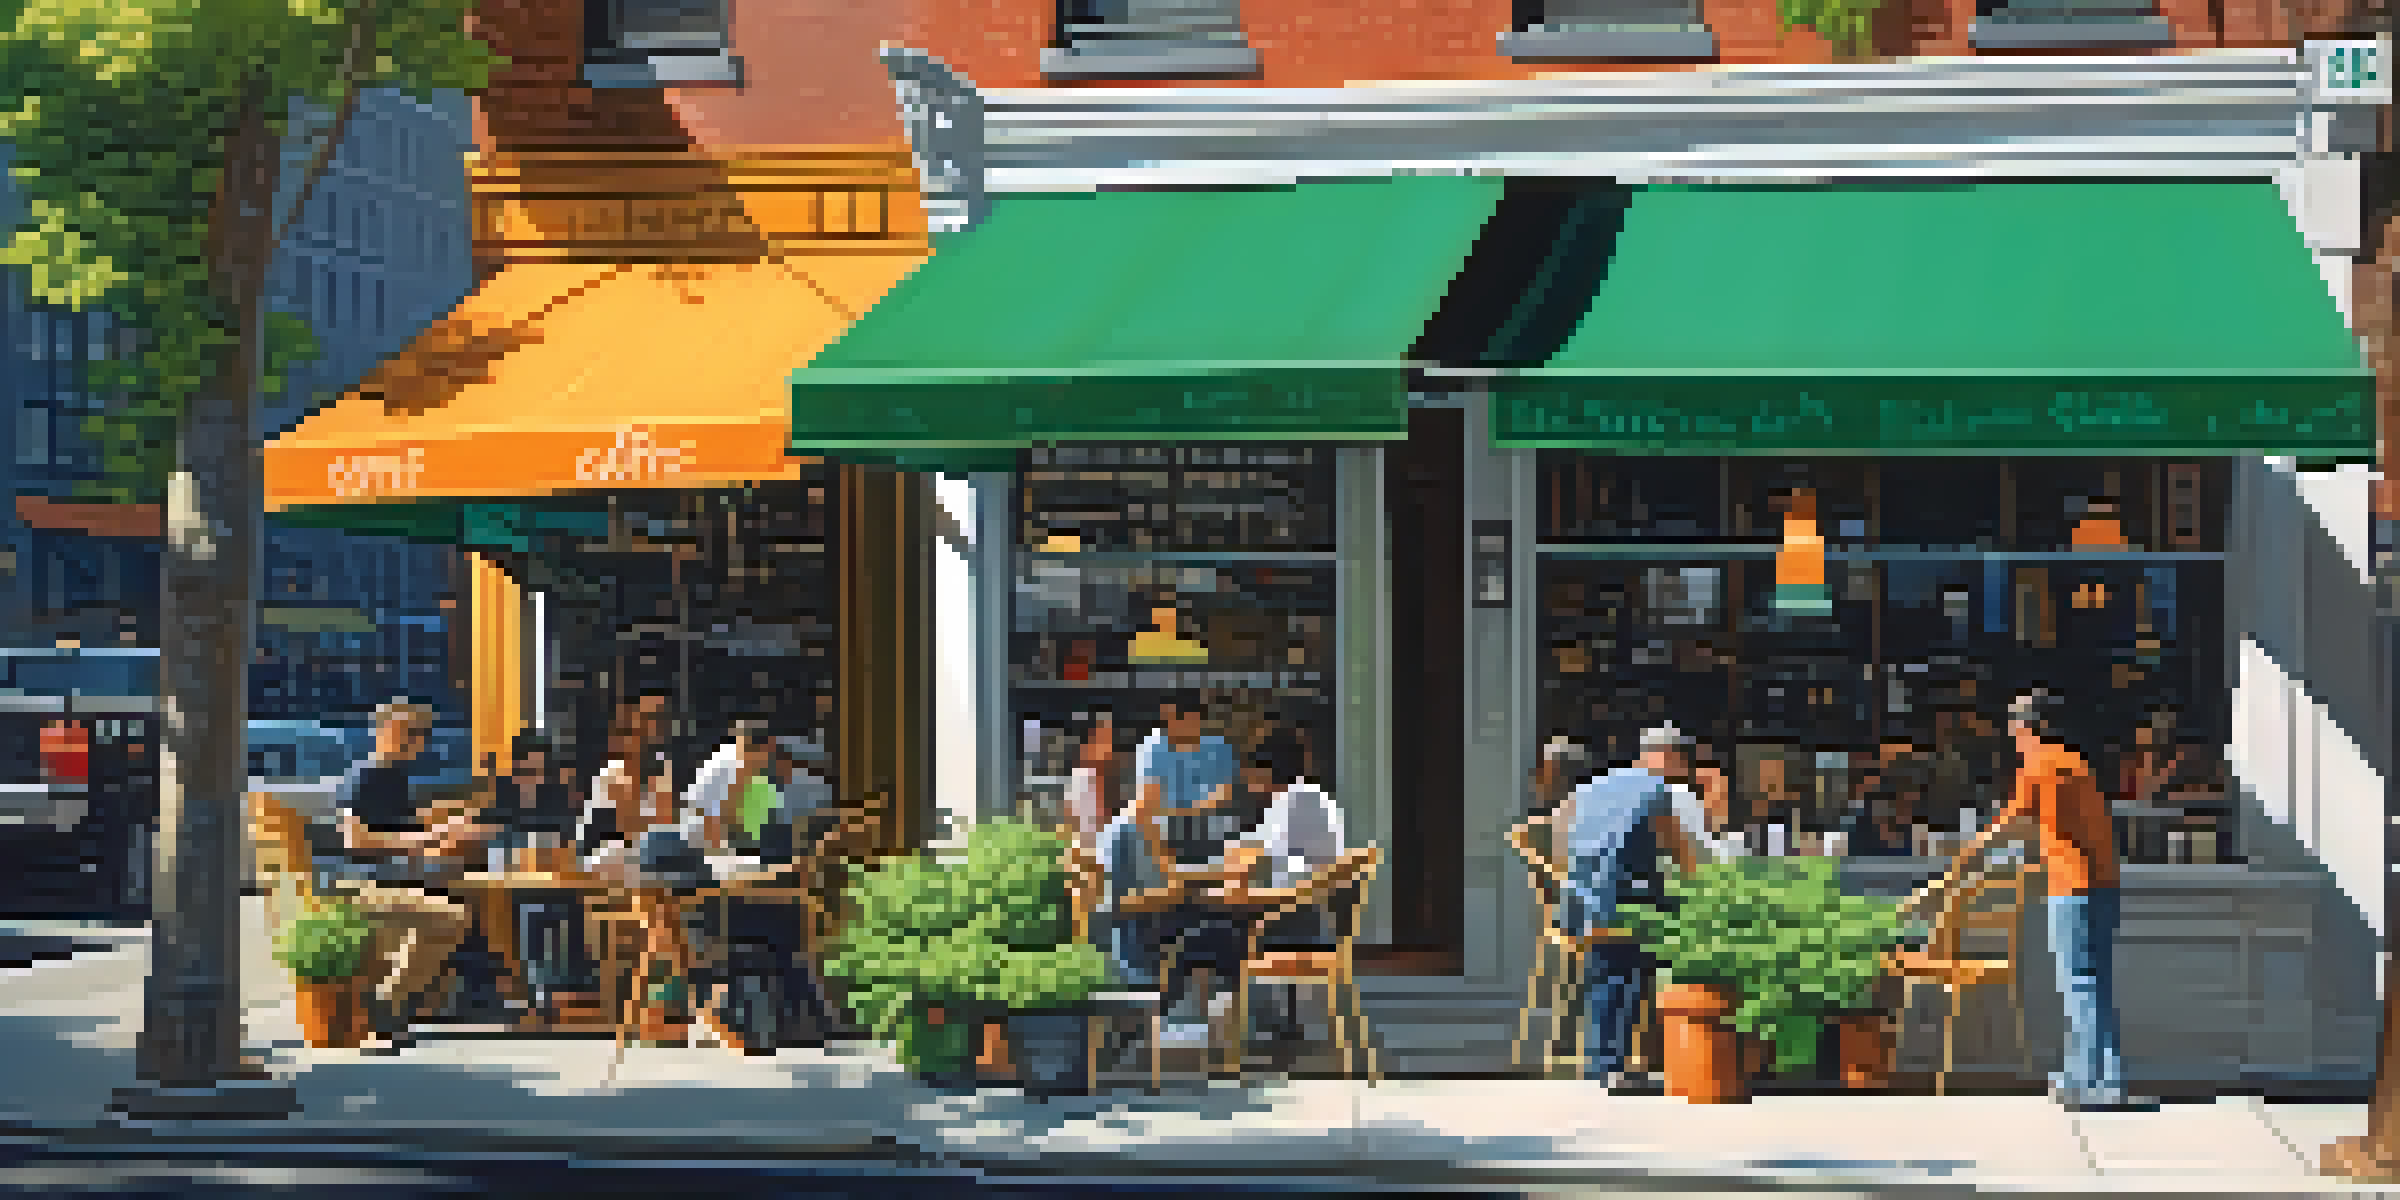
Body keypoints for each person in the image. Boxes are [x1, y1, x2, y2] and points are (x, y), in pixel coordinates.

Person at [1925, 689, 2153, 1112]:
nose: (2011, 731)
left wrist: (1965, 851)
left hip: (2073, 887)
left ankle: (2097, 1082)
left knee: (2078, 983)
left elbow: (2013, 824)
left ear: (2027, 726)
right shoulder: (2074, 762)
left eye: (2013, 722)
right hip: (2103, 883)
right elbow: (2054, 827)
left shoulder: (2039, 765)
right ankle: (2086, 1076)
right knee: (2093, 983)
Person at [322, 699, 488, 1053]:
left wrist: (445, 835)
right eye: (407, 731)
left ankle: (407, 1006)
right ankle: (386, 1011)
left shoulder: (394, 777)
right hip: (361, 886)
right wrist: (428, 838)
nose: (416, 740)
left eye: (421, 733)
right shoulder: (367, 774)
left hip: (388, 881)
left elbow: (404, 839)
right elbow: (356, 840)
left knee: (461, 909)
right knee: (451, 917)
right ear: (381, 731)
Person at [1557, 724, 1710, 1087]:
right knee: (1658, 954)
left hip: (1579, 904)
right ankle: (1658, 1054)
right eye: (1683, 765)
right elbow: (1681, 853)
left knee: (1606, 973)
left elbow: (1560, 837)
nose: (1683, 775)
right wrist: (1709, 886)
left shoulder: (1588, 788)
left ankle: (1602, 1062)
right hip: (1625, 905)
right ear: (1670, 758)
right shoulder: (1656, 790)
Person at [1232, 733, 1346, 1041]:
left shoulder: (1292, 803)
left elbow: (1265, 860)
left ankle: (1235, 1032)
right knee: (1217, 929)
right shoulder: (1312, 798)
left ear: (1269, 771)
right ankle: (1271, 1024)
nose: (1248, 781)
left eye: (1253, 773)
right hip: (1311, 917)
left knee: (1212, 935)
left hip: (1298, 922)